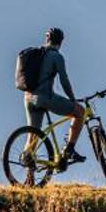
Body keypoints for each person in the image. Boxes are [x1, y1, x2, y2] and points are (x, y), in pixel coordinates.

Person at [24, 26, 87, 166]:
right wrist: (72, 99)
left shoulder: (37, 54)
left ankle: (29, 172)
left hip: (29, 98)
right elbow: (64, 81)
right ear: (61, 42)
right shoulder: (56, 57)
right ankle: (69, 150)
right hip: (45, 97)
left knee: (33, 134)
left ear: (47, 39)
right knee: (80, 112)